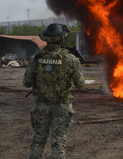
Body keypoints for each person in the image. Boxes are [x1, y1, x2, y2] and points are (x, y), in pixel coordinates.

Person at [23, 23, 85, 159]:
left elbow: (26, 83)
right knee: (58, 142)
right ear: (62, 39)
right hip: (61, 107)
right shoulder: (71, 60)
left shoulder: (36, 59)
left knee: (38, 140)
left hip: (40, 106)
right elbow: (80, 84)